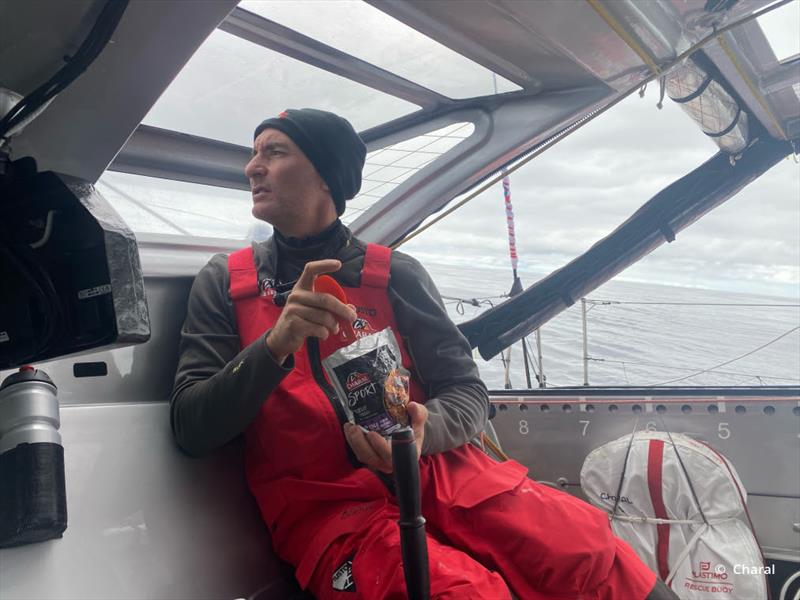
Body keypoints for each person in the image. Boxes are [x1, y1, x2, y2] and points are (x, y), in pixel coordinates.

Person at [171, 108, 678, 600]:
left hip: (448, 475)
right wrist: (274, 345)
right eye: (253, 153)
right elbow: (193, 427)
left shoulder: (396, 275)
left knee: (587, 553)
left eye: (273, 152)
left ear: (326, 177)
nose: (252, 167)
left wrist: (423, 430)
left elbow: (468, 392)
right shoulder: (226, 282)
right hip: (332, 510)